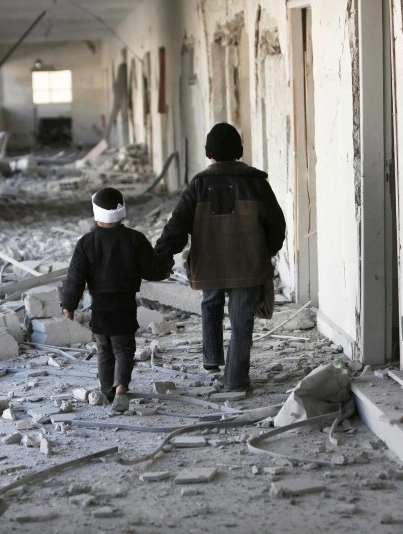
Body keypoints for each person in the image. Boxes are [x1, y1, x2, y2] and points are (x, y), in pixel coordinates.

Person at [154, 122, 286, 392]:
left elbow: (177, 225)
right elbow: (277, 224)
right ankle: (236, 381)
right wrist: (266, 252)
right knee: (242, 322)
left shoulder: (200, 184)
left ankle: (212, 358)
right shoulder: (257, 183)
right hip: (248, 264)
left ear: (208, 153)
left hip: (209, 263)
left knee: (210, 304)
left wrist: (161, 256)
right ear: (239, 151)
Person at [61, 187, 171, 412]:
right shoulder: (135, 239)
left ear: (95, 212)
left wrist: (69, 305)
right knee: (123, 349)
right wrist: (166, 259)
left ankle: (107, 391)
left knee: (104, 349)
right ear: (122, 209)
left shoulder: (86, 243)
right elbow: (153, 270)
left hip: (100, 307)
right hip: (125, 304)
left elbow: (75, 277)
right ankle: (121, 387)